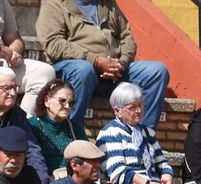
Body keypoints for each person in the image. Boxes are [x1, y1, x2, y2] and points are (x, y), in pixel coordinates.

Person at [36, 0, 168, 130]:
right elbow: (53, 44)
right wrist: (95, 60)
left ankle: (144, 136)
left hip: (115, 71)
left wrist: (121, 62)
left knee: (157, 72)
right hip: (78, 71)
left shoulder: (107, 3)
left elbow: (126, 37)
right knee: (83, 70)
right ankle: (72, 135)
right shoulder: (54, 3)